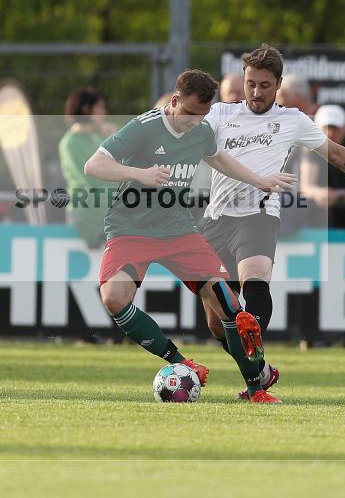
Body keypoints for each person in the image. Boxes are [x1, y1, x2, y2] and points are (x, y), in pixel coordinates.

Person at [201, 44, 345, 399]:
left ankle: (253, 327)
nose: (256, 92)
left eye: (265, 85)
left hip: (258, 216)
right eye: (251, 84)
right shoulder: (220, 113)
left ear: (278, 84)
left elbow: (338, 154)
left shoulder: (293, 120)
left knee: (255, 278)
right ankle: (261, 371)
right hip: (216, 220)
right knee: (215, 323)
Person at [84, 69, 296, 403]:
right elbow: (93, 165)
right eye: (190, 114)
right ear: (175, 100)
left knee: (229, 305)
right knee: (113, 298)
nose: (195, 122)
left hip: (178, 229)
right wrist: (139, 174)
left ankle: (257, 388)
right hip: (131, 228)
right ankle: (181, 362)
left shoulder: (201, 129)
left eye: (202, 115)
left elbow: (218, 157)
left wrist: (257, 180)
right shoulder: (144, 127)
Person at [58, 88, 118, 249]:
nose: (104, 113)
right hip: (84, 211)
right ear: (86, 109)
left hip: (107, 209)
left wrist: (114, 140)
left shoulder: (98, 137)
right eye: (100, 108)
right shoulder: (70, 143)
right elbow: (90, 179)